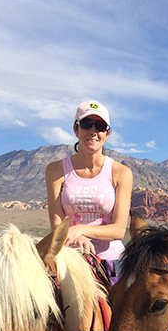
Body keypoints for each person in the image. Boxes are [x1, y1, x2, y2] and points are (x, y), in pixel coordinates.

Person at [45, 100, 133, 284]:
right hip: (69, 259)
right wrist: (76, 238)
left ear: (107, 134)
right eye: (86, 124)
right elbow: (56, 224)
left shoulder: (121, 173)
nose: (93, 131)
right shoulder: (55, 171)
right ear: (76, 129)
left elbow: (118, 230)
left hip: (111, 262)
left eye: (100, 126)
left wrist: (80, 230)